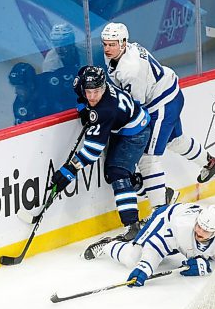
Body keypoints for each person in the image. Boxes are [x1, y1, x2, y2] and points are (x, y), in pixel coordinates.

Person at [100, 22, 215, 209]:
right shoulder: (125, 50)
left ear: (123, 42)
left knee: (147, 157)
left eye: (112, 44)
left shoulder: (130, 70)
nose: (107, 49)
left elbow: (135, 109)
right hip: (169, 94)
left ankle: (160, 209)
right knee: (174, 140)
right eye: (105, 44)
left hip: (161, 105)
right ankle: (211, 163)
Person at [50, 66, 151, 241]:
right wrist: (83, 109)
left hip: (136, 131)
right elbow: (82, 90)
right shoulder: (83, 82)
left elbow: (92, 151)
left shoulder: (105, 110)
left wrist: (69, 170)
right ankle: (157, 193)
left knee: (117, 173)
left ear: (104, 87)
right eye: (88, 92)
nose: (91, 97)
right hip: (121, 126)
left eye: (96, 92)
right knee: (117, 173)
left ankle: (132, 225)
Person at [83, 203, 215, 287]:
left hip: (177, 233)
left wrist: (206, 265)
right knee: (133, 257)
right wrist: (146, 265)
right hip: (164, 219)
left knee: (167, 253)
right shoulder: (181, 227)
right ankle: (108, 244)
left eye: (206, 230)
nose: (199, 231)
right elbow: (157, 245)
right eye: (199, 226)